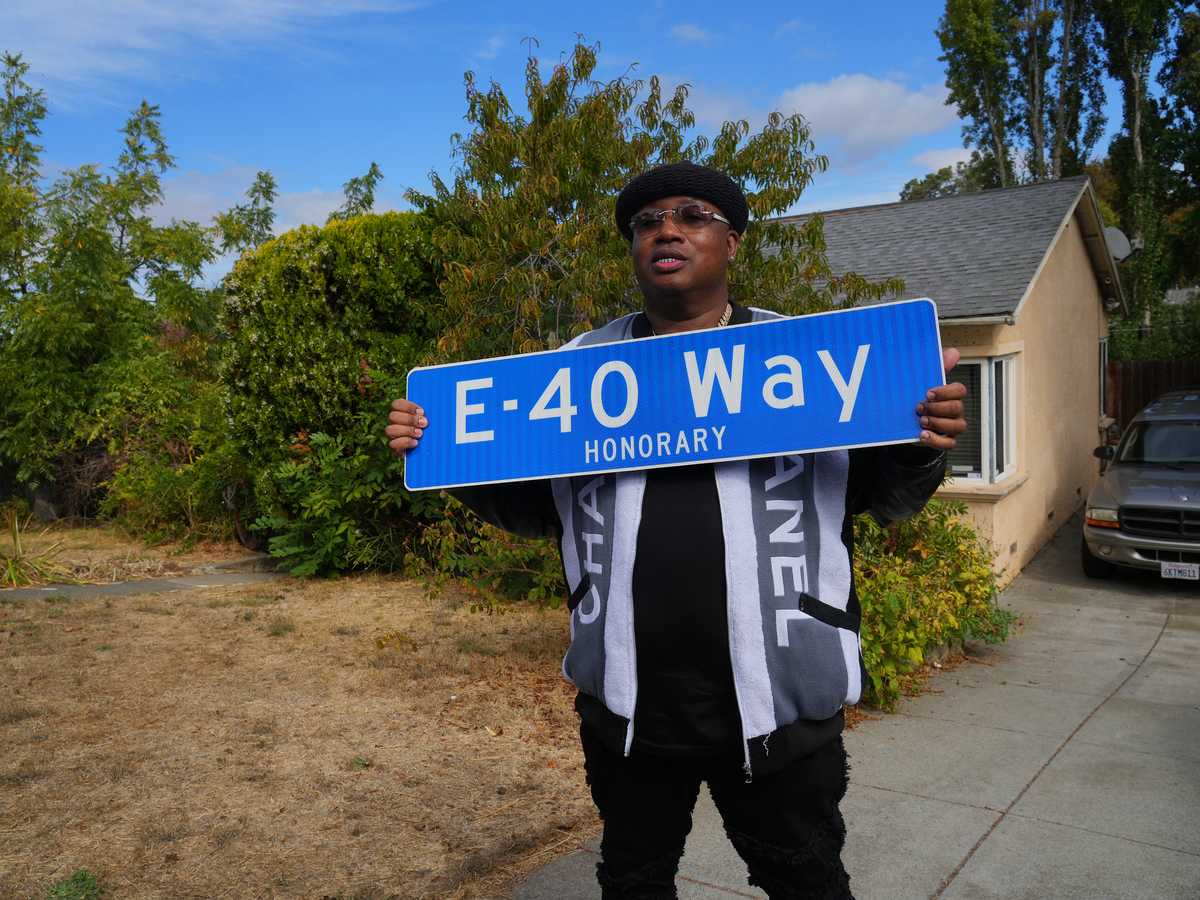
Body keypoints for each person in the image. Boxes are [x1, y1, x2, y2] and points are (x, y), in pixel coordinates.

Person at [386, 162, 967, 900]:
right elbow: (539, 514)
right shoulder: (575, 369)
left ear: (732, 244)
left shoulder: (811, 357)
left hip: (778, 705)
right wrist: (441, 455)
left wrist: (925, 443)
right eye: (646, 222)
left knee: (808, 882)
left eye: (691, 215)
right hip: (628, 711)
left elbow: (885, 502)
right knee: (633, 881)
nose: (665, 229)